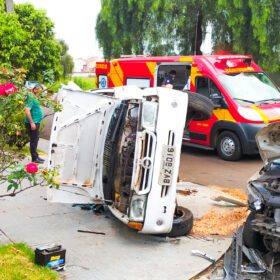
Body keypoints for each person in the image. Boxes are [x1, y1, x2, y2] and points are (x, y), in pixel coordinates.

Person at [24, 85, 44, 163]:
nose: (41, 93)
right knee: (34, 141)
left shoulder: (33, 96)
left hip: (36, 122)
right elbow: (27, 110)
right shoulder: (31, 97)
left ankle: (36, 156)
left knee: (35, 140)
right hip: (32, 123)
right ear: (35, 90)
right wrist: (32, 123)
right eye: (40, 91)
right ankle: (34, 158)